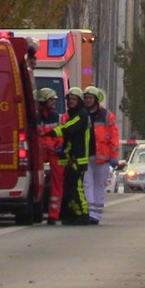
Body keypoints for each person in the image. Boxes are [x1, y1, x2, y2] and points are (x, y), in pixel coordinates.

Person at [47, 86, 92, 225]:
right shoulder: (74, 114)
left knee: (77, 187)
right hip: (71, 157)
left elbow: (68, 128)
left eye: (73, 99)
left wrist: (52, 132)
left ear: (79, 101)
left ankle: (83, 214)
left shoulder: (81, 114)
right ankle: (72, 214)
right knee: (70, 187)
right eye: (69, 99)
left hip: (78, 158)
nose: (70, 102)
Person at [82, 85, 120, 225]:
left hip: (102, 157)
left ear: (96, 99)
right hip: (86, 156)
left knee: (99, 185)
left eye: (90, 98)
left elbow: (114, 137)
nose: (87, 100)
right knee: (87, 184)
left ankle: (96, 214)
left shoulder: (106, 115)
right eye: (86, 98)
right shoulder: (82, 113)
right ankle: (90, 212)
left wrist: (114, 155)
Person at [36, 88, 64, 225]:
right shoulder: (35, 117)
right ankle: (37, 211)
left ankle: (54, 215)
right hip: (40, 153)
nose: (54, 102)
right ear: (44, 100)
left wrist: (59, 147)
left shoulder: (57, 117)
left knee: (57, 182)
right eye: (51, 99)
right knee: (36, 182)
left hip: (54, 153)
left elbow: (61, 136)